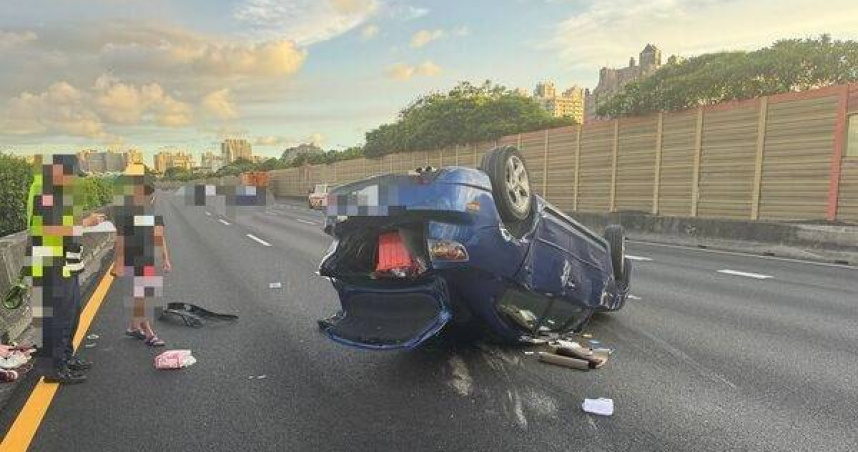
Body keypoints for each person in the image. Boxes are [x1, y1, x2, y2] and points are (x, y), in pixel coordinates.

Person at [26, 155, 105, 384]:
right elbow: (50, 229)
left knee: (70, 314)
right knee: (56, 317)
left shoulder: (55, 191)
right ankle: (54, 369)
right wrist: (85, 224)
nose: (74, 181)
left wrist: (83, 221)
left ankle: (65, 358)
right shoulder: (45, 191)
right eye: (72, 176)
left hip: (62, 262)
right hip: (50, 264)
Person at [111, 163, 172, 346]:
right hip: (133, 255)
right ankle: (149, 333)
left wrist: (165, 258)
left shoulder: (149, 210)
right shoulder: (125, 211)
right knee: (142, 296)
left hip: (146, 256)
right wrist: (119, 262)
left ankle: (133, 327)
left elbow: (159, 236)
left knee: (144, 294)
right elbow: (121, 238)